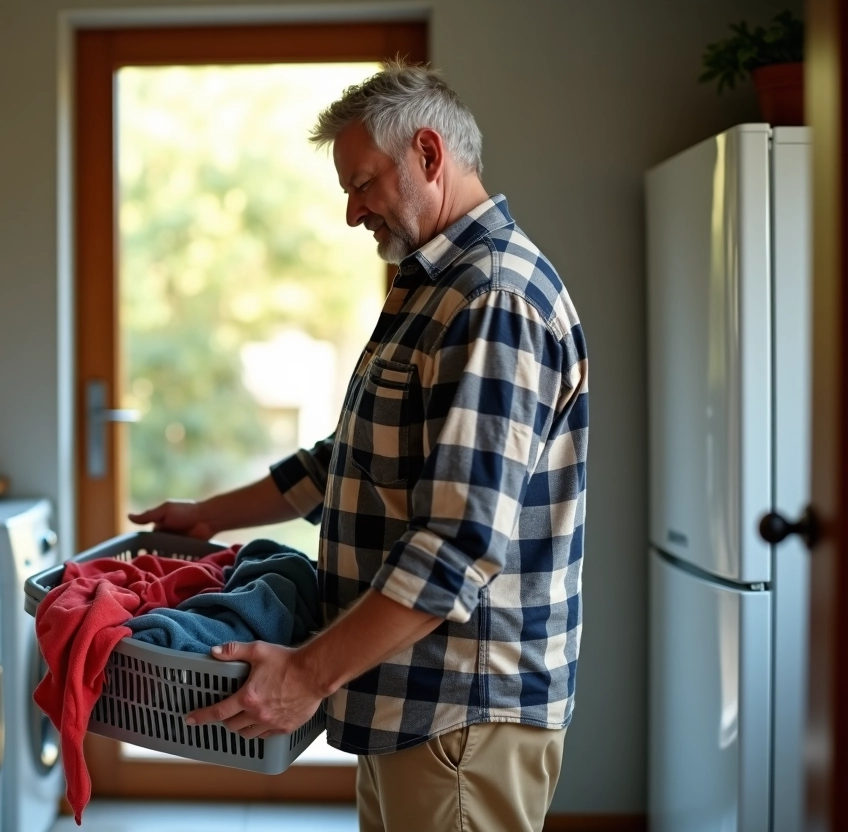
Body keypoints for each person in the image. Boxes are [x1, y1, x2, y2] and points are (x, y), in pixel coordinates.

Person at [130, 59, 589, 832]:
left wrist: (306, 674)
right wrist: (208, 514)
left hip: (458, 712)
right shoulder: (433, 289)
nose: (352, 213)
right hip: (411, 694)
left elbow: (459, 545)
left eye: (362, 183)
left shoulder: (493, 299)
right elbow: (341, 460)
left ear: (429, 156)